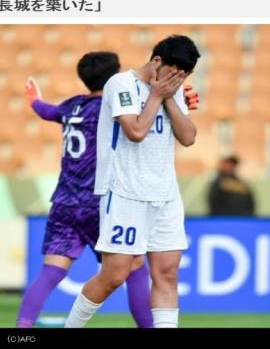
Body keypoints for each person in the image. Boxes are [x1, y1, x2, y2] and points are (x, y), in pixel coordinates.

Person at [64, 35, 201, 329]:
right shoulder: (120, 84)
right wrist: (156, 96)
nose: (177, 81)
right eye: (173, 73)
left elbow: (188, 137)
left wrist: (168, 96)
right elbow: (135, 132)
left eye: (183, 76)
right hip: (125, 193)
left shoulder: (173, 89)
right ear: (156, 61)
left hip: (166, 195)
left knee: (167, 274)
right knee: (114, 276)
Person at [17, 52, 153, 328]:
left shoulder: (72, 106)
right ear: (115, 75)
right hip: (99, 203)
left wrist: (34, 100)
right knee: (136, 268)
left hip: (64, 202)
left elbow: (46, 111)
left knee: (50, 272)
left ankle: (23, 327)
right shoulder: (114, 106)